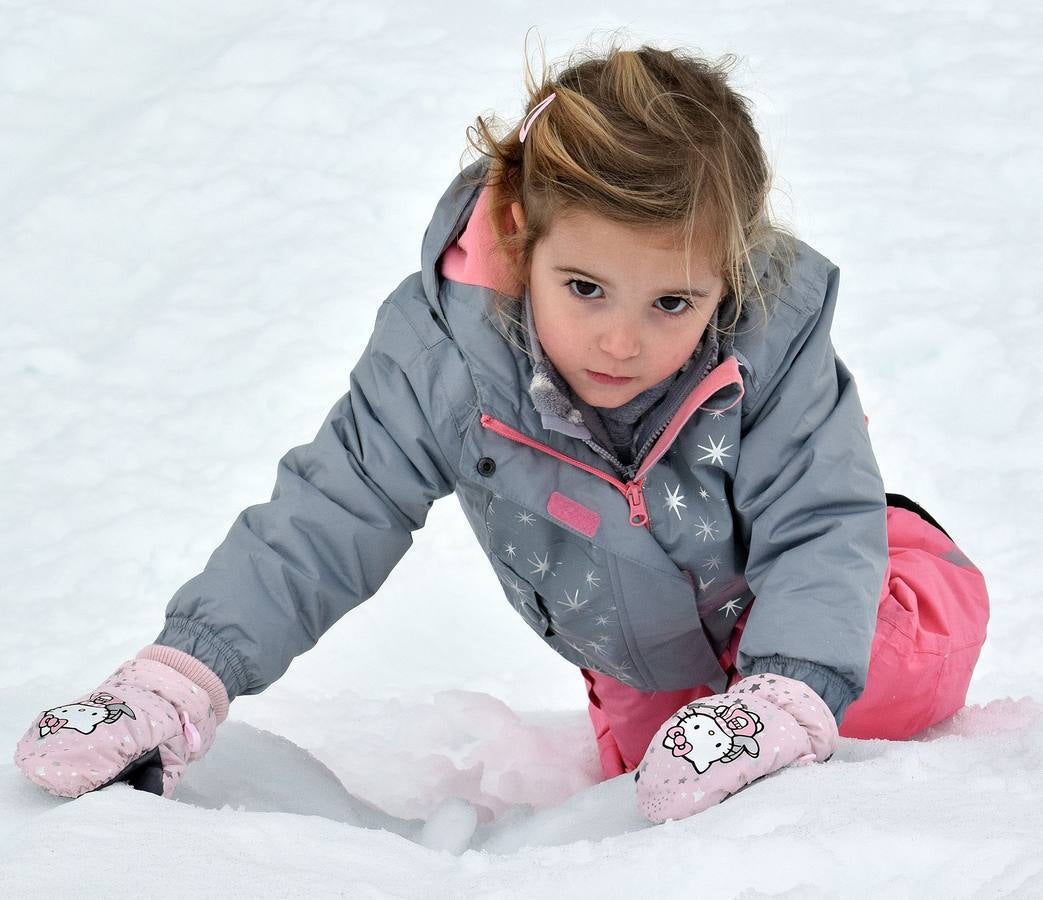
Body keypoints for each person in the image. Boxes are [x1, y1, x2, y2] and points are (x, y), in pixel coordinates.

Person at [14, 39, 990, 822]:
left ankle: (789, 694)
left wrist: (783, 695)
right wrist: (184, 674)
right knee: (648, 788)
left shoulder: (766, 348)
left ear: (725, 278)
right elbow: (329, 509)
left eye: (670, 302)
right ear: (522, 233)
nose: (622, 338)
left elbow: (818, 521)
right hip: (647, 656)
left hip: (867, 589)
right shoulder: (446, 357)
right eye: (584, 289)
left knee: (882, 680)